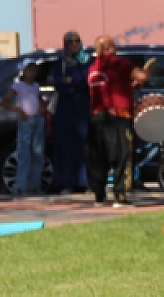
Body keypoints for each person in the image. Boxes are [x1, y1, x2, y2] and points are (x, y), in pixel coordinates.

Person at [86, 36, 145, 207]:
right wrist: (146, 73)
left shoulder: (92, 68)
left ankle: (99, 195)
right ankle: (120, 195)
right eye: (113, 46)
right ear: (108, 49)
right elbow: (140, 76)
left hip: (97, 117)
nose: (116, 49)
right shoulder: (118, 63)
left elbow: (110, 85)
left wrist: (129, 87)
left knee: (98, 158)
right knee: (122, 155)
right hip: (118, 116)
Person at [50, 33, 91, 192]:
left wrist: (71, 81)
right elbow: (58, 82)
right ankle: (66, 182)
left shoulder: (88, 61)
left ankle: (84, 182)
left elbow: (87, 80)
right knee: (65, 146)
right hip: (65, 108)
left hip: (82, 107)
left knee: (83, 144)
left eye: (76, 41)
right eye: (70, 42)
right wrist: (72, 83)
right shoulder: (62, 62)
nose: (74, 44)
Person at [0, 59, 45, 197]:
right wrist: (19, 110)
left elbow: (39, 100)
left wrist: (42, 108)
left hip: (37, 119)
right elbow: (4, 102)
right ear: (24, 72)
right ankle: (20, 186)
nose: (32, 73)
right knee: (24, 153)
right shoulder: (18, 86)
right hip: (26, 120)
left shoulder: (36, 86)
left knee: (37, 153)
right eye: (29, 70)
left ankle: (34, 185)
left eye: (34, 71)